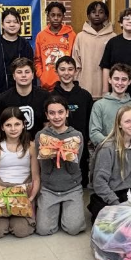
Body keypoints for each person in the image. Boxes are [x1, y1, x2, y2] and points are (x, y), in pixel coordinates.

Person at [0, 107, 40, 239]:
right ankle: (4, 220)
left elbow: (36, 178)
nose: (13, 129)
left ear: (23, 125)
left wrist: (30, 199)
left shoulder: (31, 146)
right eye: (8, 125)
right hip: (1, 191)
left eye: (17, 124)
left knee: (22, 231)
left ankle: (12, 220)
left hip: (22, 191)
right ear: (2, 127)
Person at [36, 96, 85, 236]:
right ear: (47, 115)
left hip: (72, 188)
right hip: (49, 188)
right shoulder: (41, 136)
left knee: (73, 229)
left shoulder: (77, 135)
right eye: (52, 113)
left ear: (67, 113)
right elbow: (44, 168)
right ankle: (55, 211)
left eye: (60, 112)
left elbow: (74, 168)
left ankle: (66, 211)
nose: (56, 116)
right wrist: (50, 151)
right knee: (43, 230)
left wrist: (66, 152)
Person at [89, 107, 131, 221]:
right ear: (119, 124)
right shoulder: (107, 148)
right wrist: (116, 204)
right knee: (112, 225)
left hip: (127, 193)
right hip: (107, 194)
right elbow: (99, 182)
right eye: (127, 121)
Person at [54, 56, 94, 183]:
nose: (66, 73)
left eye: (70, 69)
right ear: (56, 71)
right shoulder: (50, 96)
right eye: (63, 69)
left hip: (80, 149)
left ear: (76, 71)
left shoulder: (85, 96)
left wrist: (87, 140)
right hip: (57, 149)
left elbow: (90, 121)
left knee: (80, 184)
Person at [0, 57, 49, 136]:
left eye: (27, 72)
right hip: (12, 145)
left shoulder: (45, 96)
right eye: (19, 72)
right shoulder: (2, 99)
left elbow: (48, 123)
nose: (23, 75)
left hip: (38, 144)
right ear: (14, 76)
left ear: (32, 75)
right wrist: (9, 141)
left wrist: (38, 141)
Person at [0, 8, 34, 95]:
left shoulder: (25, 44)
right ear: (2, 25)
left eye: (15, 22)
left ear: (20, 25)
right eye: (8, 22)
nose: (12, 25)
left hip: (23, 91)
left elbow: (30, 69)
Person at [72, 0, 114, 99]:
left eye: (101, 12)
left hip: (105, 90)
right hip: (84, 87)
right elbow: (76, 63)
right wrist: (76, 83)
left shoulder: (113, 37)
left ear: (106, 16)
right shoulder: (80, 36)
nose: (97, 15)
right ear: (88, 16)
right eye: (93, 12)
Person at [89, 63, 131, 146]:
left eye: (124, 79)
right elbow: (94, 133)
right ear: (109, 80)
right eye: (116, 79)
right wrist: (113, 145)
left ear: (129, 81)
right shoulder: (99, 105)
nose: (120, 83)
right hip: (106, 152)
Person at [35, 1, 75, 91]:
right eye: (53, 15)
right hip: (47, 86)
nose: (56, 18)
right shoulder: (41, 36)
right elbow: (37, 60)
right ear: (48, 16)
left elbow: (75, 58)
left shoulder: (71, 35)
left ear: (63, 16)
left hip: (66, 84)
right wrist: (42, 76)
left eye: (59, 15)